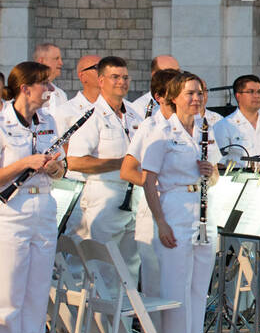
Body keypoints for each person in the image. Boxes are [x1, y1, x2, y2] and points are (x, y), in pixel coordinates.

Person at [139, 72, 222, 333]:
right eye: (189, 93)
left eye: (200, 93)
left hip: (202, 210)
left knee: (199, 288)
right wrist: (160, 222)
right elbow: (148, 181)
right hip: (173, 207)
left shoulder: (205, 129)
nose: (196, 98)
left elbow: (213, 178)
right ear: (173, 97)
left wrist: (210, 171)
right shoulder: (161, 132)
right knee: (176, 287)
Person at [0, 63, 67, 333]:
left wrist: (55, 165)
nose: (50, 90)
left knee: (36, 297)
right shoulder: (1, 122)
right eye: (44, 84)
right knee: (9, 298)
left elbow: (60, 167)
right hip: (11, 213)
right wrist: (25, 163)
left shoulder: (49, 121)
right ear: (25, 87)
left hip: (44, 209)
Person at [65, 57, 145, 277]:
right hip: (104, 197)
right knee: (101, 268)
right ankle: (97, 312)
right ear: (101, 81)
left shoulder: (134, 114)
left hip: (134, 198)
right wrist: (120, 164)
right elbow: (75, 161)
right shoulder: (91, 116)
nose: (122, 82)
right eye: (115, 77)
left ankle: (122, 312)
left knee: (130, 268)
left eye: (125, 77)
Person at [120, 68, 181, 297]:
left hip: (182, 210)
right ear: (160, 96)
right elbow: (127, 170)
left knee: (178, 283)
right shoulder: (149, 126)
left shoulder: (190, 125)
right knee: (155, 283)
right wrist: (155, 186)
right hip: (154, 209)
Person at [214, 75, 260, 172]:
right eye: (251, 92)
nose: (257, 96)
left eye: (259, 92)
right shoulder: (224, 125)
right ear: (238, 96)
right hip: (237, 183)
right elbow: (218, 164)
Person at [55, 54, 101, 131]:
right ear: (82, 76)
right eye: (98, 68)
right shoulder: (64, 112)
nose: (104, 72)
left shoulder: (122, 108)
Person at [128, 55, 179, 120]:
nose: (177, 77)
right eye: (169, 73)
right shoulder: (139, 108)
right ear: (154, 75)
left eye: (178, 71)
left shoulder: (189, 101)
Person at [32, 43, 67, 111]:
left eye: (60, 59)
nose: (61, 63)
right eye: (56, 58)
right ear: (41, 61)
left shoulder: (61, 94)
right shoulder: (28, 90)